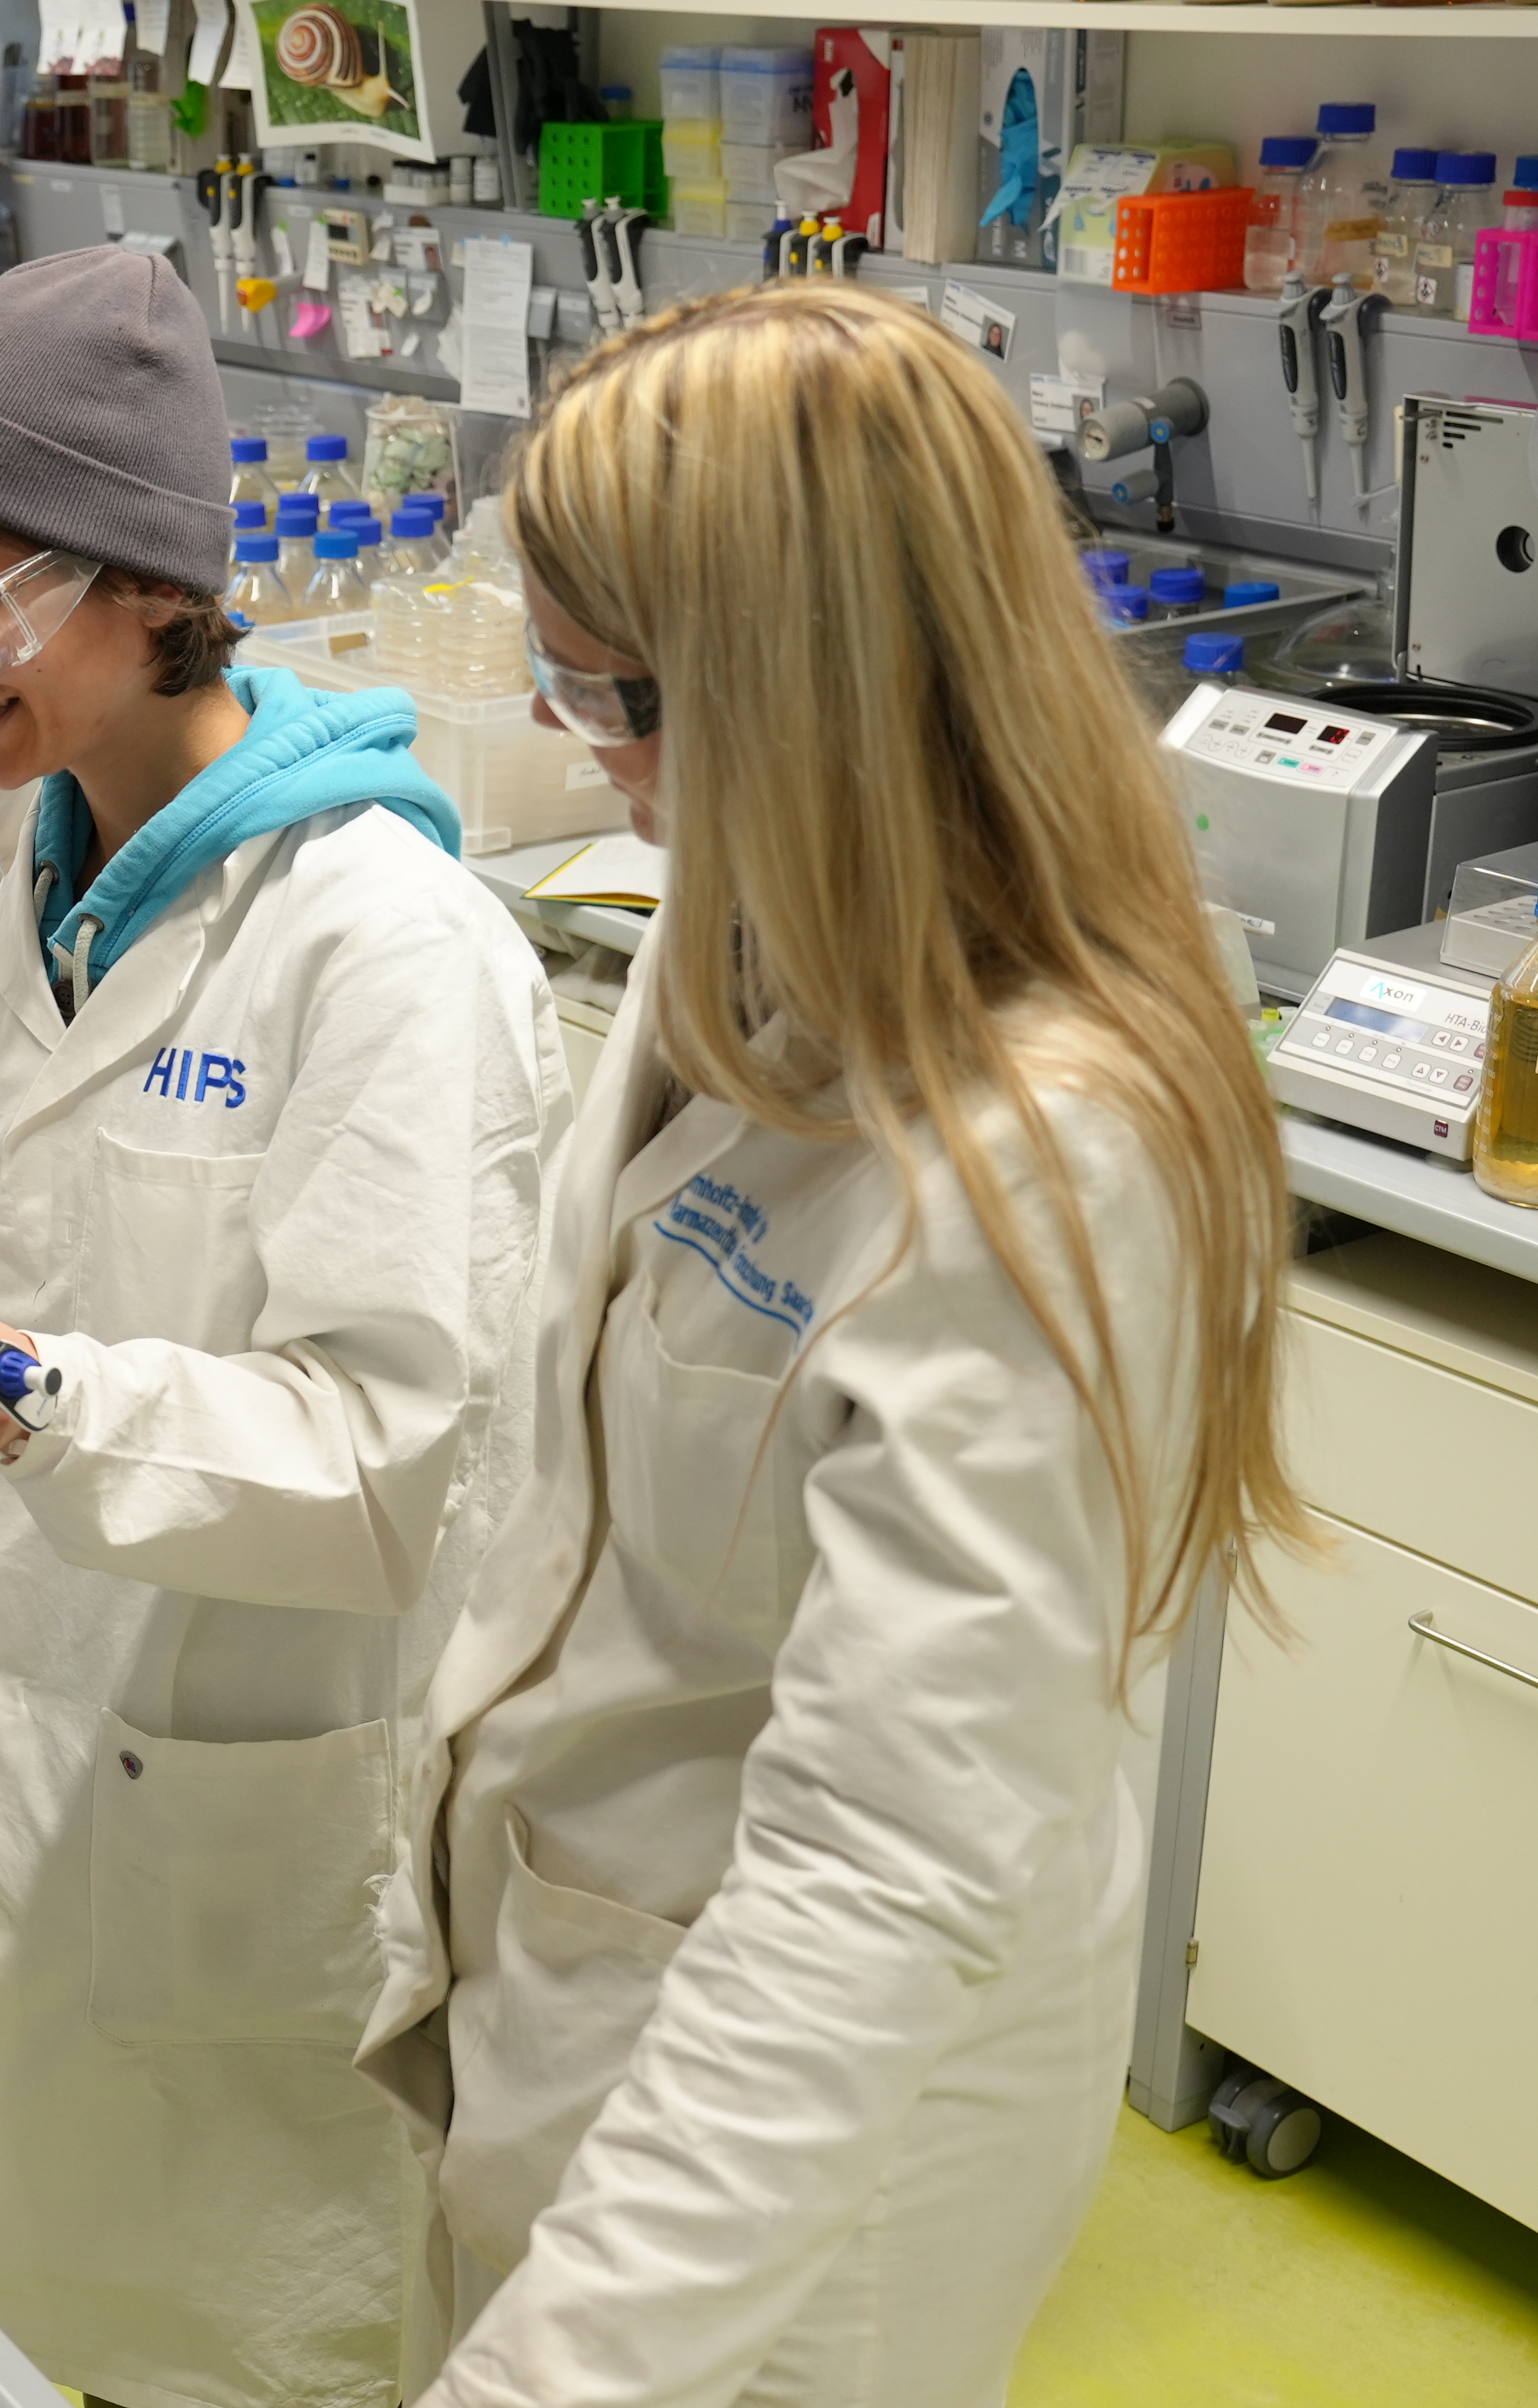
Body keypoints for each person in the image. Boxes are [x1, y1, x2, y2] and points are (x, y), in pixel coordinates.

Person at [355, 280, 1309, 2405]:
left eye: (604, 687)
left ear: (805, 695)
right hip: (582, 1974)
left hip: (796, 2167)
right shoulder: (743, 926)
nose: (574, 735)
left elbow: (883, 1867)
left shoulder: (1055, 1157)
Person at [0, 248, 568, 2408]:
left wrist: (54, 1413)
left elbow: (401, 1447)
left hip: (233, 1771)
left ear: (140, 582)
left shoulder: (384, 946)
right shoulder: (27, 862)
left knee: (245, 2333)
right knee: (11, 2287)